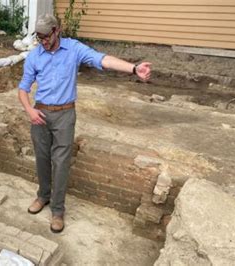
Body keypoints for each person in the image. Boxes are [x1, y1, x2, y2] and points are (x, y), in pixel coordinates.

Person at [18, 14, 151, 233]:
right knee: (42, 158)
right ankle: (43, 196)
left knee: (60, 163)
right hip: (39, 114)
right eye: (38, 36)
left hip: (65, 114)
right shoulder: (34, 56)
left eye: (45, 36)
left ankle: (58, 211)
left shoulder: (73, 49)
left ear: (57, 30)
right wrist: (29, 109)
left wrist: (134, 68)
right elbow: (23, 89)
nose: (42, 40)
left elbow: (102, 59)